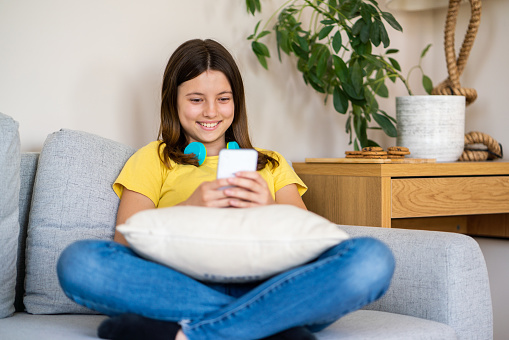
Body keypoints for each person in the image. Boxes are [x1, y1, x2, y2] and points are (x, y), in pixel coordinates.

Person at [57, 39, 395, 340]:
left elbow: (308, 243)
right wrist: (189, 207)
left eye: (223, 98)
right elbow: (124, 239)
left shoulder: (271, 163)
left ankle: (191, 332)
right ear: (173, 101)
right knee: (79, 262)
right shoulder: (155, 157)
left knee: (372, 259)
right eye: (195, 99)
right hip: (180, 285)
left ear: (237, 102)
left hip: (268, 282)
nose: (211, 111)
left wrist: (267, 209)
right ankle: (269, 326)